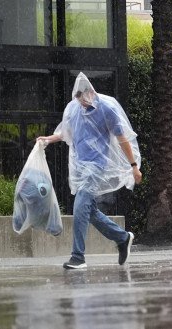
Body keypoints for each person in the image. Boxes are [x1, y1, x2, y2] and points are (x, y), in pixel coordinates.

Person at [38, 72, 142, 269]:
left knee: (79, 208)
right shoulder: (74, 109)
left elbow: (122, 139)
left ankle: (78, 256)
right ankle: (122, 238)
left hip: (96, 166)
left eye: (83, 99)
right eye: (78, 99)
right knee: (89, 211)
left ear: (91, 92)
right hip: (79, 167)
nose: (82, 103)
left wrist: (134, 166)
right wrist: (48, 139)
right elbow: (65, 133)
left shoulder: (107, 109)